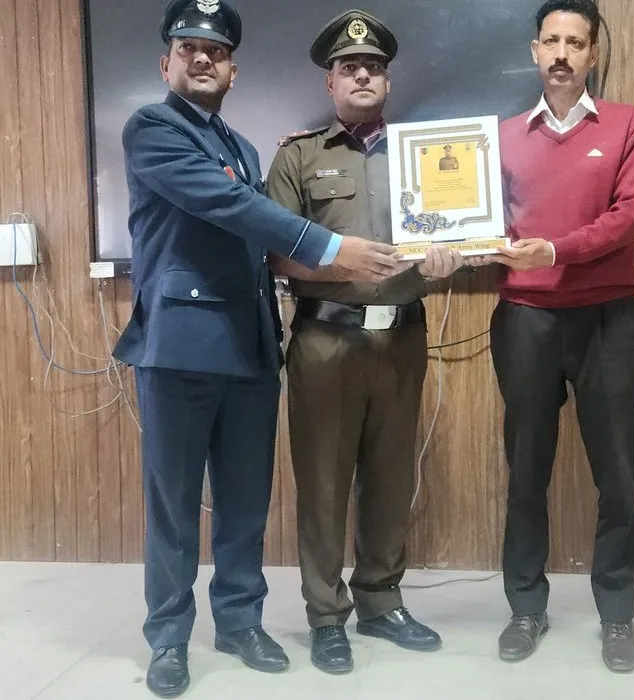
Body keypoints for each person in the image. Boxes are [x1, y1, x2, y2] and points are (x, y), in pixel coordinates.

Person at [113, 1, 405, 696]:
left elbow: (255, 240)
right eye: (189, 48)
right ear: (166, 63)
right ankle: (168, 638)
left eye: (216, 51)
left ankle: (240, 622)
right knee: (174, 507)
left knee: (245, 504)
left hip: (250, 348)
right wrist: (331, 247)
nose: (202, 58)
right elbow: (233, 208)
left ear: (233, 71)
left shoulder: (245, 150)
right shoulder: (152, 128)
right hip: (179, 348)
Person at [266, 9, 463, 675]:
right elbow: (274, 255)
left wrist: (452, 256)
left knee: (390, 477)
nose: (361, 75)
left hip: (402, 340)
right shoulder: (299, 155)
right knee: (323, 484)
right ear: (330, 82)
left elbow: (459, 231)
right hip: (326, 341)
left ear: (387, 80)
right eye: (349, 66)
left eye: (373, 66)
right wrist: (337, 263)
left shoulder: (427, 155)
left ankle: (381, 601)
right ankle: (327, 616)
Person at [484, 0, 634, 673]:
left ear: (592, 54)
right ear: (534, 51)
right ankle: (526, 607)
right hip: (525, 318)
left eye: (575, 43)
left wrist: (554, 250)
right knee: (527, 470)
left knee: (616, 473)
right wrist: (445, 246)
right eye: (550, 41)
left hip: (608, 318)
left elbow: (630, 215)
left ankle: (617, 615)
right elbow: (478, 223)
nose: (561, 54)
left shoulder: (627, 124)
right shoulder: (499, 137)